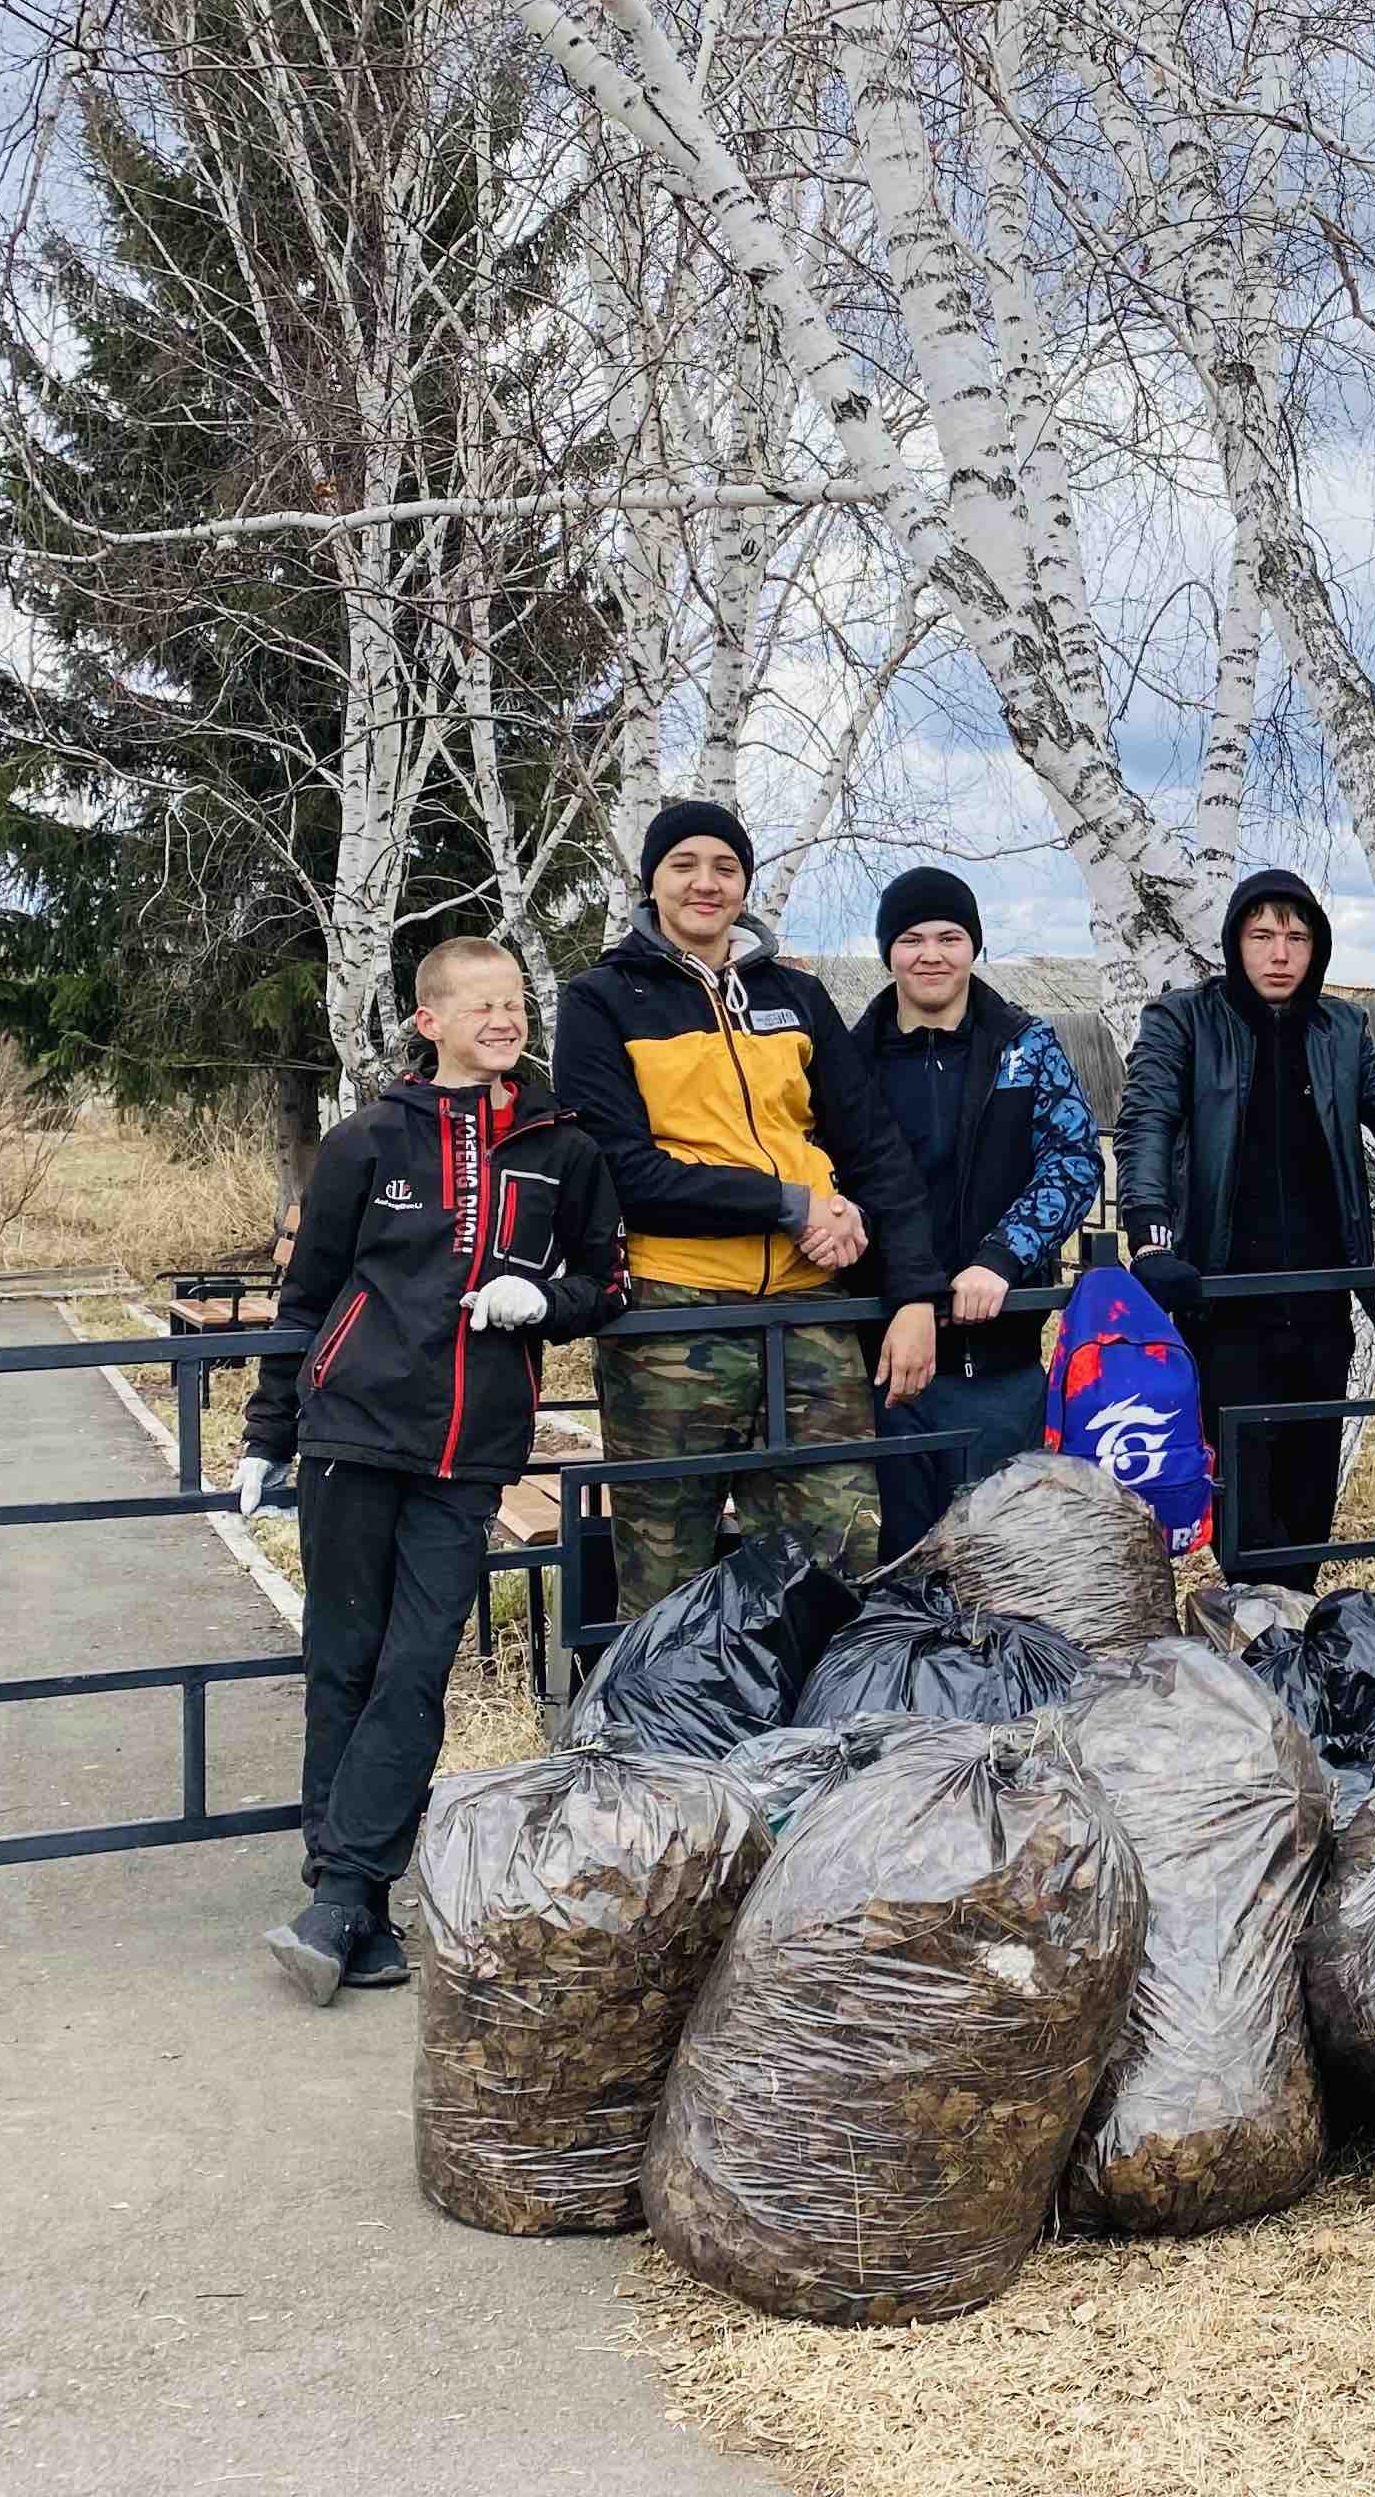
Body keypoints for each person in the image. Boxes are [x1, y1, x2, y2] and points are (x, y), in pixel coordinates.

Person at [233, 936, 624, 2003]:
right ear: (428, 1022)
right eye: (480, 1005)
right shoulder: (365, 1143)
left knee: (415, 1668)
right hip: (353, 1433)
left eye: (514, 1004)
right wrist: (270, 1433)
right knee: (344, 1660)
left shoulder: (563, 1148)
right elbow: (304, 1299)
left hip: (471, 1452)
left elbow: (607, 1281)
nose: (504, 1020)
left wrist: (544, 1302)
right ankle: (348, 1895)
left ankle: (341, 1897)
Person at [555, 800, 946, 1623]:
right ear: (651, 879)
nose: (706, 883)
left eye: (725, 867)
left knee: (840, 1558)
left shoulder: (796, 995)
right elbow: (623, 1170)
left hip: (809, 1315)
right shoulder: (600, 1001)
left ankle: (827, 1741)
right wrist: (785, 1204)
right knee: (668, 1574)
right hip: (674, 1317)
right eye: (684, 864)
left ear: (746, 885)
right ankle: (659, 1745)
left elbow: (875, 1149)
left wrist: (913, 1294)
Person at [1118, 869, 1375, 1565]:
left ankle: (1291, 1657)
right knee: (1248, 1522)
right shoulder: (1184, 1021)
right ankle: (1256, 1648)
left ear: (1316, 946)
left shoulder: (1341, 1028)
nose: (1280, 953)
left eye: (1296, 936)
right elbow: (1146, 1121)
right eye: (1262, 935)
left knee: (1309, 1510)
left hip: (1322, 1313)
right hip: (1228, 1308)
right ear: (1236, 943)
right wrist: (1147, 1236)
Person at [838, 866, 1103, 1562]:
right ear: (887, 950)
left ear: (974, 946)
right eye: (912, 938)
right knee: (891, 1569)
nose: (931, 954)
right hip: (881, 1365)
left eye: (950, 936)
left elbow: (1075, 1158)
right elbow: (825, 1175)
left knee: (1002, 1566)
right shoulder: (848, 1060)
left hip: (1001, 1367)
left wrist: (1002, 1256)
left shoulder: (1027, 1046)